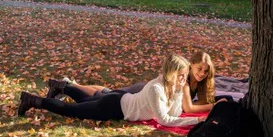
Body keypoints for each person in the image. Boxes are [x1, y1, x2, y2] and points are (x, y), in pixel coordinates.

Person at [17, 54, 204, 128]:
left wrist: (179, 91)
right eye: (181, 75)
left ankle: (63, 87)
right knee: (71, 111)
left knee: (83, 104)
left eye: (185, 75)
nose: (184, 79)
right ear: (171, 73)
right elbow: (165, 119)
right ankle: (30, 100)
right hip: (115, 106)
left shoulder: (172, 86)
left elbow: (174, 113)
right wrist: (196, 120)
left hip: (120, 100)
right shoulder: (157, 88)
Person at [44, 50, 223, 114]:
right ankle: (68, 84)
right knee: (106, 92)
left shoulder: (199, 82)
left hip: (141, 95)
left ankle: (66, 86)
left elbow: (195, 104)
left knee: (106, 93)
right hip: (139, 91)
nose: (202, 73)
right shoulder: (183, 81)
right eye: (199, 68)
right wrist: (212, 106)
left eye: (205, 71)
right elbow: (190, 108)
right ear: (191, 65)